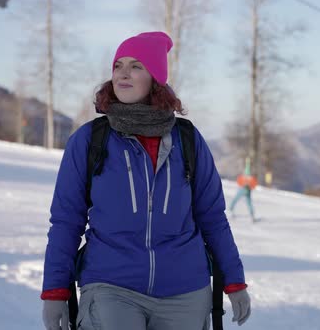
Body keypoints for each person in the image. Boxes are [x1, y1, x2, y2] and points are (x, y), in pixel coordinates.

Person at [41, 32, 251, 330]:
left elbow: (213, 218)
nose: (123, 73)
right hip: (111, 286)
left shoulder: (188, 140)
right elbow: (66, 221)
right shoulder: (89, 141)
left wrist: (234, 280)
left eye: (136, 66)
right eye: (118, 65)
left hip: (185, 292)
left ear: (155, 78)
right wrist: (55, 290)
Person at [228, 157, 258, 222]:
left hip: (243, 190)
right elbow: (254, 184)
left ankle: (230, 210)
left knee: (235, 199)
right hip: (247, 190)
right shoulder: (251, 177)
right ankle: (252, 215)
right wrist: (250, 187)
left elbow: (239, 181)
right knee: (248, 202)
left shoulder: (245, 177)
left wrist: (245, 185)